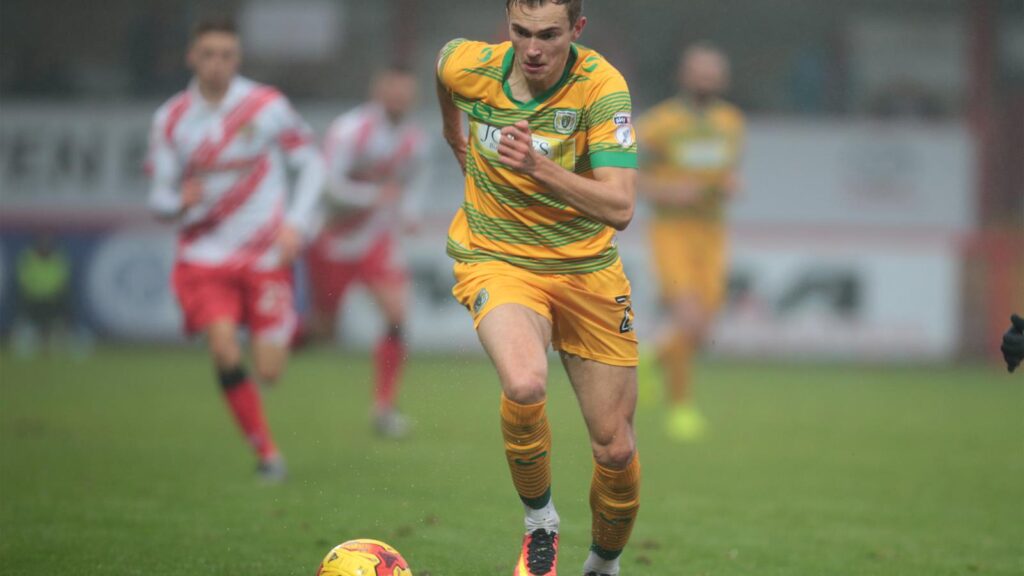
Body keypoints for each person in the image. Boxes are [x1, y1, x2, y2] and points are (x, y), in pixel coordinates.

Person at [436, 1, 641, 574]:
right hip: (497, 259)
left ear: (576, 30)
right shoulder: (470, 65)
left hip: (587, 272)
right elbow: (442, 71)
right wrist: (450, 131)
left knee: (616, 449)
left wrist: (540, 168)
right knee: (525, 384)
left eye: (548, 35)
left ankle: (602, 564)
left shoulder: (602, 88)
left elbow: (621, 206)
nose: (532, 49)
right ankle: (540, 524)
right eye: (521, 32)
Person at [146, 17, 325, 481]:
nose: (217, 63)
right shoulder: (170, 119)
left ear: (237, 58)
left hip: (267, 254)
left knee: (269, 371)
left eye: (226, 55)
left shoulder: (265, 106)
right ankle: (266, 453)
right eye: (208, 54)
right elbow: (158, 197)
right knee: (224, 349)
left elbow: (312, 166)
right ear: (192, 57)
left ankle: (286, 327)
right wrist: (174, 202)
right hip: (204, 255)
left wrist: (296, 225)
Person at [307, 66, 429, 438]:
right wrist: (374, 196)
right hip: (331, 240)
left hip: (376, 240)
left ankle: (384, 407)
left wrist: (409, 214)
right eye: (393, 91)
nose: (399, 99)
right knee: (320, 332)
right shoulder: (350, 130)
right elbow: (328, 186)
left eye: (405, 92)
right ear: (378, 91)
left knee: (396, 314)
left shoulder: (414, 141)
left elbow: (413, 184)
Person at [636, 43, 745, 442]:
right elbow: (626, 175)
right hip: (671, 233)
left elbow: (723, 174)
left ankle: (648, 356)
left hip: (713, 234)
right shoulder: (659, 124)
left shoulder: (731, 123)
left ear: (723, 79)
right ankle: (681, 408)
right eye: (699, 72)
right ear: (684, 76)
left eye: (713, 73)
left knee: (701, 330)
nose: (706, 80)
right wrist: (668, 190)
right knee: (687, 321)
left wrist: (729, 184)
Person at [13, 233, 72, 356]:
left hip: (52, 300)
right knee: (26, 307)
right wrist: (37, 292)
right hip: (33, 299)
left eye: (48, 243)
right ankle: (29, 342)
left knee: (63, 307)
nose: (45, 246)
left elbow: (62, 281)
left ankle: (58, 343)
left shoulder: (57, 259)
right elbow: (24, 280)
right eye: (43, 242)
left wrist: (50, 293)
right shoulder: (28, 258)